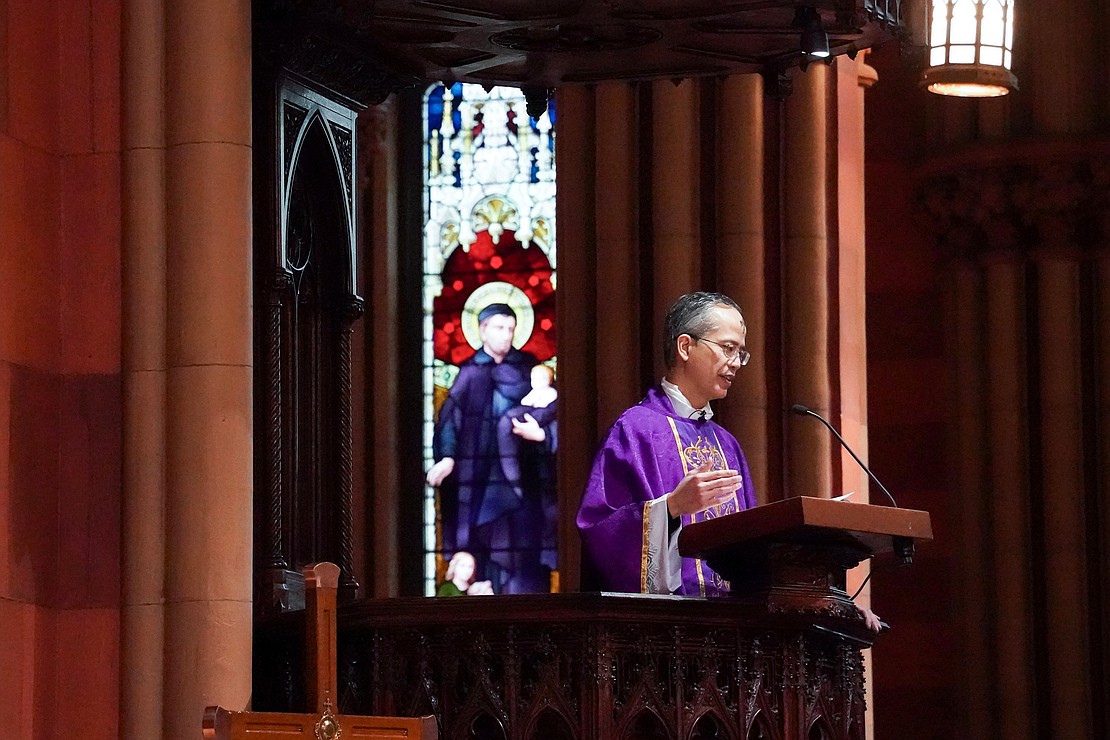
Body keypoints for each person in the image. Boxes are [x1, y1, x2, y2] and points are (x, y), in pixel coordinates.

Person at [576, 292, 756, 597]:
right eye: (728, 348)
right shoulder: (636, 429)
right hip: (667, 628)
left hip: (732, 625)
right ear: (685, 346)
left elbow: (755, 543)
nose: (736, 363)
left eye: (741, 353)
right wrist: (672, 507)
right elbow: (599, 533)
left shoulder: (727, 445)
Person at [427, 302, 550, 593]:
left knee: (521, 552)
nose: (506, 335)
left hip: (522, 480)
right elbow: (450, 418)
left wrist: (541, 434)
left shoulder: (528, 368)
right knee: (480, 547)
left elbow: (551, 408)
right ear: (482, 330)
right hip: (479, 480)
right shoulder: (470, 372)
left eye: (510, 328)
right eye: (499, 327)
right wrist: (446, 456)